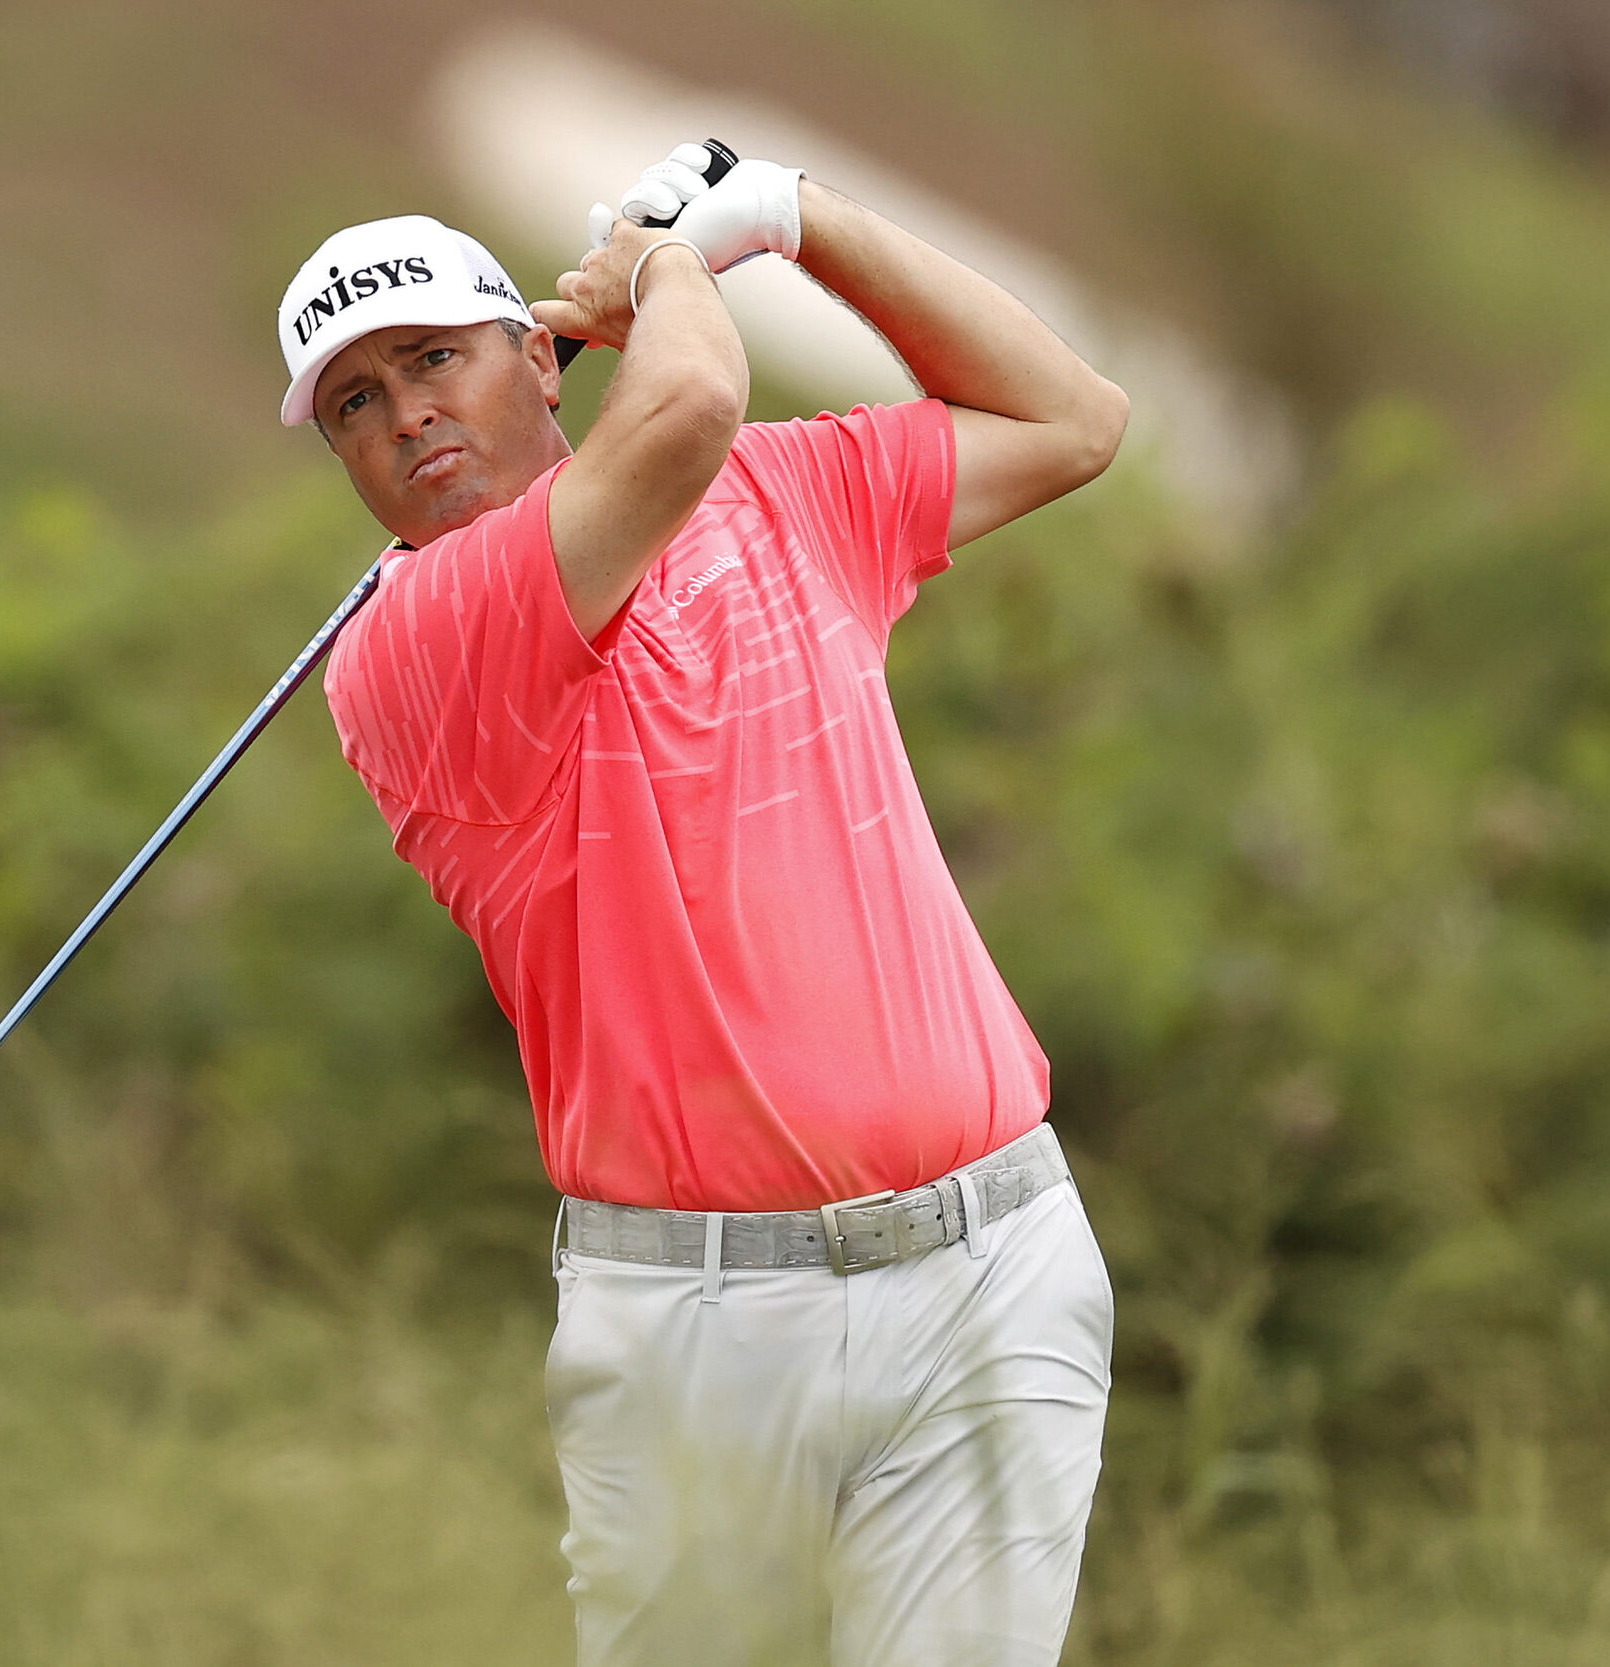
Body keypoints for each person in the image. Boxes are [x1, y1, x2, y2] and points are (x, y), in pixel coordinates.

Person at [278, 143, 1129, 1667]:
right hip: (699, 1335)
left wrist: (807, 221)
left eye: (432, 359)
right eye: (355, 401)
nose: (405, 413)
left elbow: (1072, 420)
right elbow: (679, 407)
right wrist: (673, 267)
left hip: (992, 1271)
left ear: (539, 360)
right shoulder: (414, 650)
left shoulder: (788, 495)